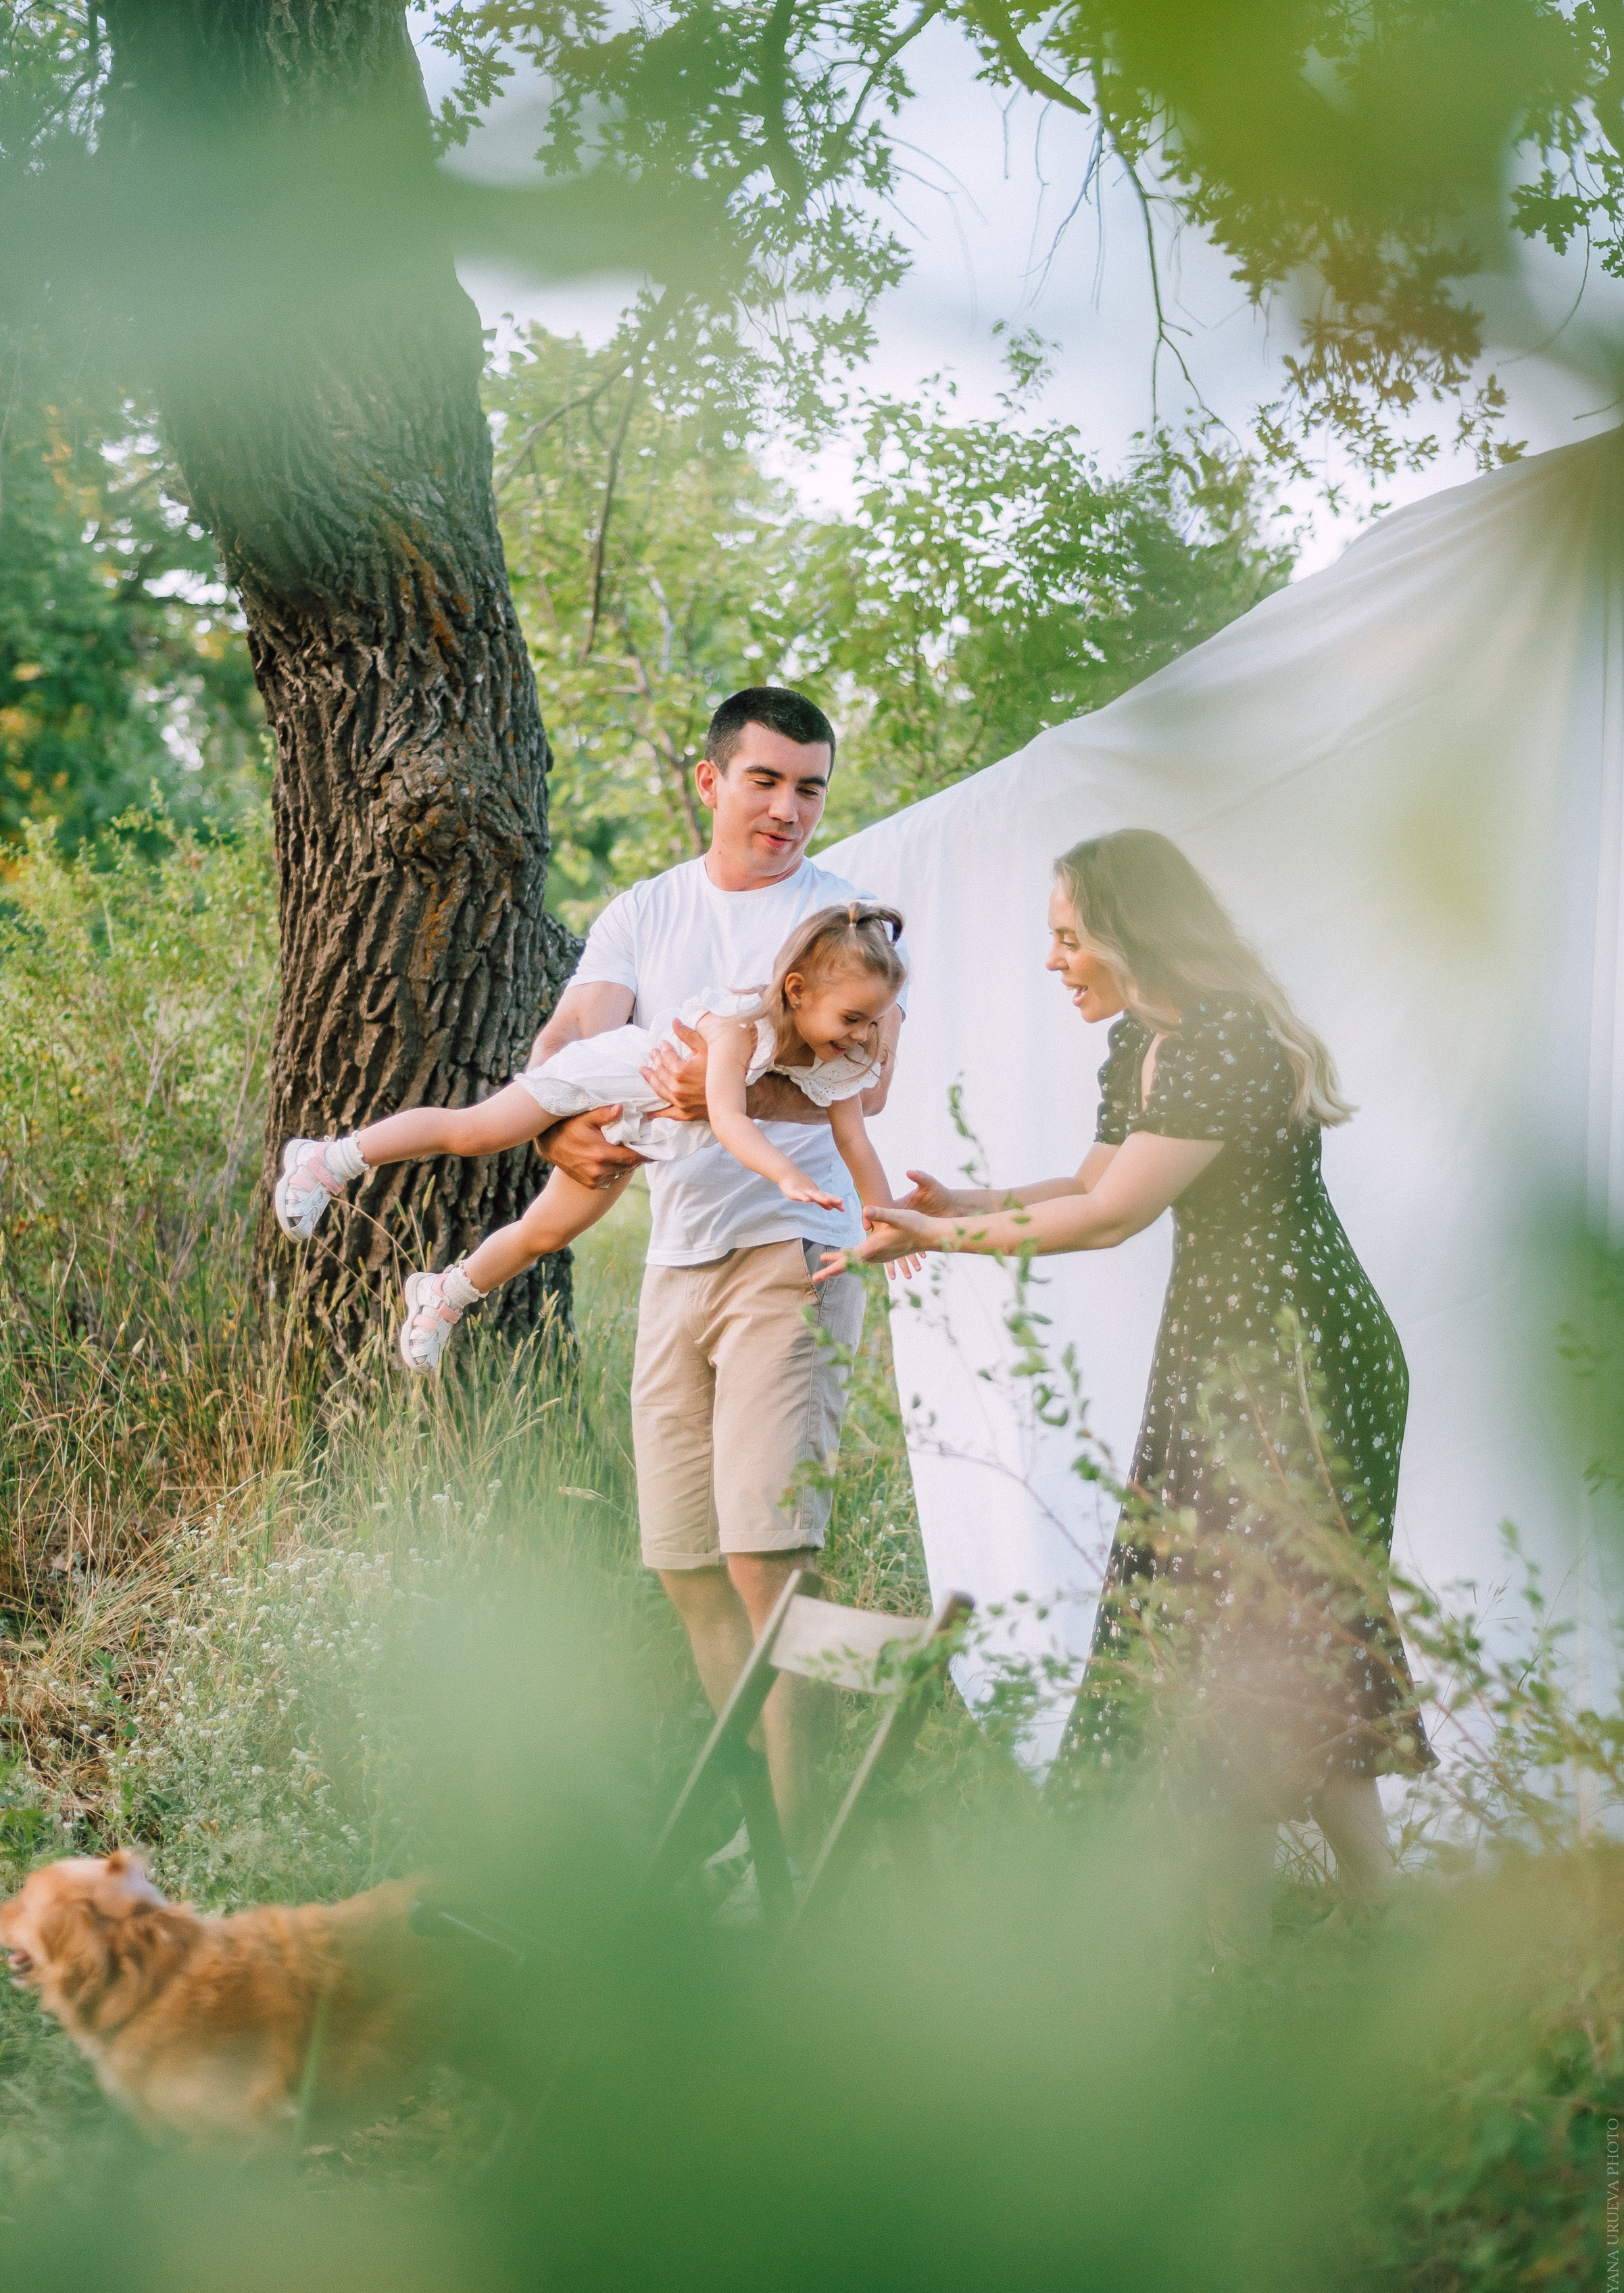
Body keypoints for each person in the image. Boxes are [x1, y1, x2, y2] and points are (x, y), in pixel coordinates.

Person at [829, 827, 1431, 1946]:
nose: (1055, 963)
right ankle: (1277, 1923)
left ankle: (1357, 1912)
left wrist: (937, 1241)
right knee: (1229, 1617)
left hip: (1296, 1354)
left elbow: (1110, 1220)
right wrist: (960, 1200)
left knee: (1287, 1617)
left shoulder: (1225, 1043)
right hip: (1216, 1348)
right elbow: (1087, 1182)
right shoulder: (1141, 1046)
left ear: (1127, 932)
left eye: (1068, 939)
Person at [511, 688, 904, 1869]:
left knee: (763, 1559)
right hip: (675, 1263)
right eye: (765, 781)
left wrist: (716, 1098)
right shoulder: (644, 911)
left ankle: (803, 1860)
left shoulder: (840, 918)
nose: (787, 808)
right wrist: (552, 1135)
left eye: (809, 788)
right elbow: (568, 1045)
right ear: (710, 781)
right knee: (688, 1568)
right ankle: (760, 1838)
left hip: (791, 1251)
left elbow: (865, 1088)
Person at [272, 899, 912, 1374]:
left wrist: (881, 1219)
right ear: (796, 992)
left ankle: (443, 1293)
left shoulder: (842, 1058)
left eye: (875, 1021)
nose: (862, 1036)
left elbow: (855, 1140)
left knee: (546, 1233)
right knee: (474, 1133)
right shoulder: (737, 1027)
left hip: (646, 1129)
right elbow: (730, 1118)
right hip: (598, 1083)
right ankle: (327, 1161)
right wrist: (786, 1175)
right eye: (852, 1019)